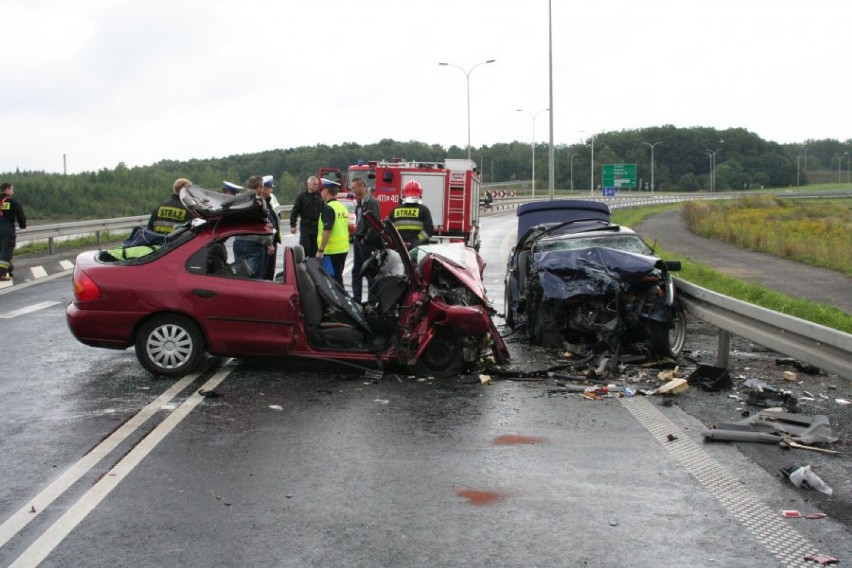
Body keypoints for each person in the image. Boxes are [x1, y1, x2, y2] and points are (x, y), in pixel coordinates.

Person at [232, 176, 273, 278]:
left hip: (238, 242)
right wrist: (269, 243)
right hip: (254, 243)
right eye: (262, 187)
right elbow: (264, 223)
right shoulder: (259, 201)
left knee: (241, 277)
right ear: (258, 187)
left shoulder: (238, 200)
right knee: (254, 279)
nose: (263, 189)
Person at [350, 176, 382, 303]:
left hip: (367, 243)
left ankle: (372, 302)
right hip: (359, 241)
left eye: (354, 188)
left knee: (369, 273)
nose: (352, 190)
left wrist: (365, 240)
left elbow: (375, 225)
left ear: (362, 186)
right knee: (356, 272)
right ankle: (356, 300)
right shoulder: (360, 201)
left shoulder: (371, 202)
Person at [315, 179, 350, 287]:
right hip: (343, 249)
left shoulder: (328, 208)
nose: (321, 193)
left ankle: (341, 303)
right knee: (338, 278)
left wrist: (321, 250)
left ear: (326, 191)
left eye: (322, 190)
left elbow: (327, 230)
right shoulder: (343, 208)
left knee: (332, 281)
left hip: (331, 251)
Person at [388, 180, 433, 249]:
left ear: (403, 193)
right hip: (418, 249)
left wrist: (399, 242)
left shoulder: (395, 210)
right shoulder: (424, 210)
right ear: (420, 193)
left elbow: (389, 230)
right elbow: (429, 230)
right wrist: (416, 241)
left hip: (400, 249)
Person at [289, 175, 323, 257]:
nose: (315, 186)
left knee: (315, 249)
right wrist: (293, 225)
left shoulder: (319, 196)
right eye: (313, 184)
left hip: (317, 226)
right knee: (305, 248)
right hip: (306, 226)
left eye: (316, 184)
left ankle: (313, 267)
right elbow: (295, 211)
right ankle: (303, 266)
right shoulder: (302, 197)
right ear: (308, 184)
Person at [0, 182, 27, 281]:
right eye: (11, 189)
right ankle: (2, 275)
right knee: (6, 253)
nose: (12, 191)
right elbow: (20, 214)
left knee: (2, 253)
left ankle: (9, 269)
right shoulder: (11, 201)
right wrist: (22, 225)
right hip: (7, 231)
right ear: (7, 189)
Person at [261, 178, 282, 280]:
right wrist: (270, 242)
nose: (271, 190)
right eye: (269, 188)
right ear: (263, 188)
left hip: (272, 240)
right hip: (266, 242)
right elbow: (266, 224)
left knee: (270, 270)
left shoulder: (269, 201)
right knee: (265, 271)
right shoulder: (261, 203)